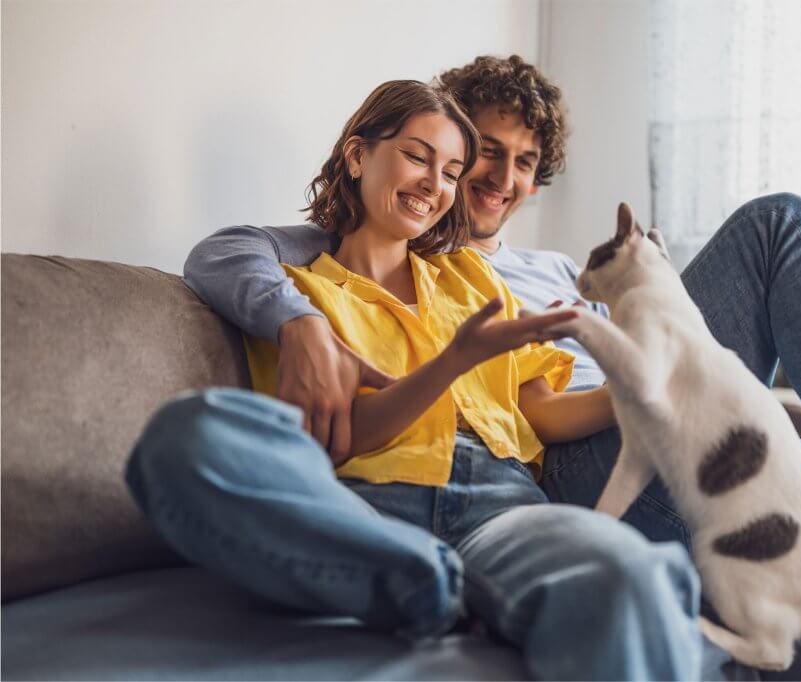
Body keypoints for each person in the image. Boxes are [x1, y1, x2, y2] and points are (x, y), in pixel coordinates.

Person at [183, 55, 801, 600]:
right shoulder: (355, 261)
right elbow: (228, 255)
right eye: (478, 153)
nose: (490, 179)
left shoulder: (534, 272)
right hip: (590, 473)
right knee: (778, 230)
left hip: (662, 433)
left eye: (521, 164)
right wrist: (299, 321)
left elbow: (582, 384)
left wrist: (669, 343)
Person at [128, 79, 709, 680]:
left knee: (630, 572)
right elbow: (345, 437)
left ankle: (430, 585)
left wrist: (640, 387)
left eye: (453, 170)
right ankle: (423, 580)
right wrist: (450, 363)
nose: (436, 185)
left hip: (501, 506)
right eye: (416, 156)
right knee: (185, 436)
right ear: (358, 157)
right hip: (364, 508)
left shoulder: (473, 281)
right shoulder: (299, 292)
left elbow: (537, 409)